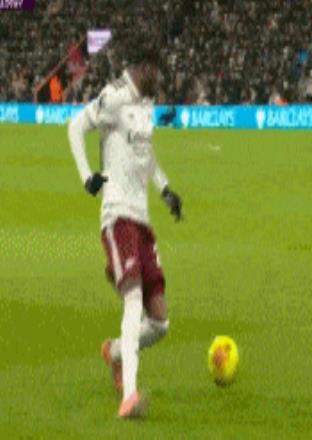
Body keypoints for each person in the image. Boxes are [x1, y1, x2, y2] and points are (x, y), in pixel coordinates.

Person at [67, 38, 183, 418]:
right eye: (157, 72)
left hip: (142, 217)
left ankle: (115, 351)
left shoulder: (146, 104)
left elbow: (145, 154)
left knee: (160, 322)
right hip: (117, 214)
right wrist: (87, 175)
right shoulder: (114, 96)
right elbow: (75, 126)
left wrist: (165, 189)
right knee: (132, 300)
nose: (159, 81)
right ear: (143, 67)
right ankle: (129, 396)